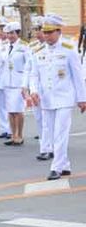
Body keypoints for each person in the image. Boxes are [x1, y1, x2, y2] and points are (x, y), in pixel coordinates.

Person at [28, 14, 86, 180]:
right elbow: (34, 74)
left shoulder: (68, 49)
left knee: (60, 132)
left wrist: (82, 99)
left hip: (64, 98)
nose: (46, 36)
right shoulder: (38, 51)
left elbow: (77, 76)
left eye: (50, 32)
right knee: (52, 133)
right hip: (46, 99)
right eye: (44, 32)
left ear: (58, 32)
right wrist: (33, 91)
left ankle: (56, 167)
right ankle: (65, 164)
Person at [0, 22, 30, 146]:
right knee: (10, 110)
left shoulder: (24, 47)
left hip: (19, 82)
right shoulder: (4, 47)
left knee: (18, 110)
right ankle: (13, 134)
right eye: (8, 33)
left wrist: (26, 85)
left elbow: (28, 66)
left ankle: (19, 135)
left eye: (12, 33)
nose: (10, 36)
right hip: (6, 82)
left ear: (18, 33)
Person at [27, 16, 53, 161]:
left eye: (40, 30)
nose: (38, 33)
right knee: (39, 119)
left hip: (53, 91)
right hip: (38, 90)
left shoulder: (62, 47)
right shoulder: (33, 48)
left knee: (50, 121)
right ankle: (45, 147)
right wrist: (27, 88)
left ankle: (51, 147)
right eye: (36, 30)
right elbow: (29, 70)